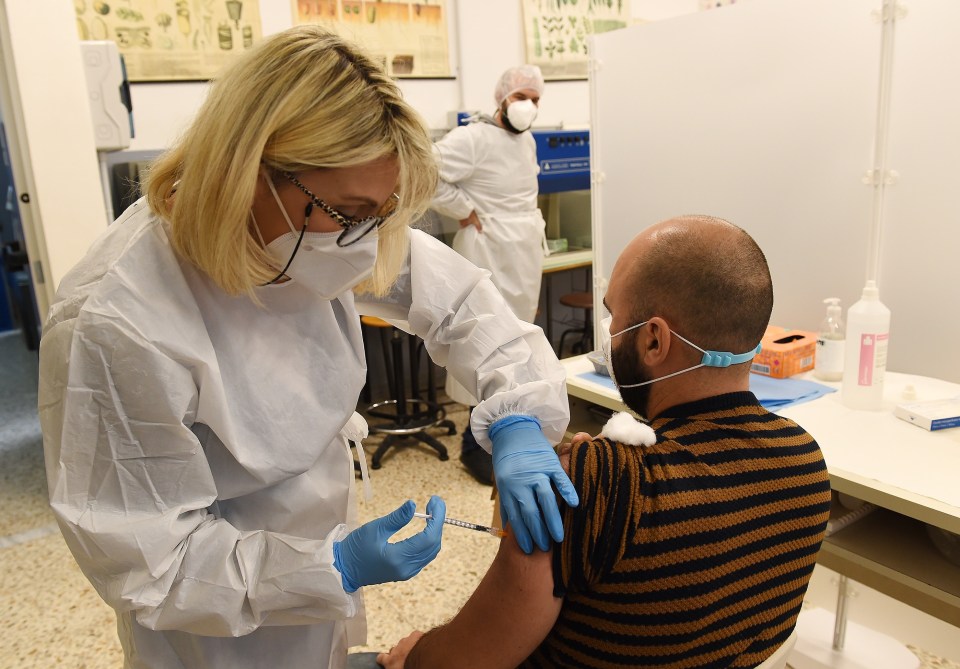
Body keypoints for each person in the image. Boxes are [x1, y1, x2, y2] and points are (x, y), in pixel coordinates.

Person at [37, 27, 577, 669]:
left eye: (382, 214)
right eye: (350, 213)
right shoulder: (115, 323)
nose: (367, 241)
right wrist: (330, 566)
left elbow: (462, 304)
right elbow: (157, 566)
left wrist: (517, 412)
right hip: (210, 625)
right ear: (251, 171)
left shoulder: (324, 225)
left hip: (317, 572)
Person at [378, 215, 833, 669]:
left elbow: (464, 661)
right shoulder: (807, 463)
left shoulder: (598, 481)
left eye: (614, 317)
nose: (609, 334)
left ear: (654, 339)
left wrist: (415, 653)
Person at [430, 64, 547, 485]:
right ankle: (472, 443)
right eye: (520, 98)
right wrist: (465, 210)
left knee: (520, 346)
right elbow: (426, 170)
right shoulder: (473, 138)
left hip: (522, 252)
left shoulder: (528, 141)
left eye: (535, 99)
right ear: (501, 99)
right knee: (483, 343)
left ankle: (506, 434)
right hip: (487, 249)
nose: (528, 107)